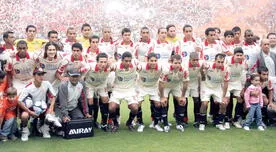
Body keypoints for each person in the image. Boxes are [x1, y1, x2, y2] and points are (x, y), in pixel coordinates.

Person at [19, 67, 57, 141]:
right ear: (34, 76)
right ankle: (25, 131)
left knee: (51, 113)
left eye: (42, 74)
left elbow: (54, 96)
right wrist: (30, 112)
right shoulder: (28, 87)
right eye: (39, 74)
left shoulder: (47, 84)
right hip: (31, 109)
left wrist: (51, 107)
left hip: (43, 107)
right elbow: (19, 101)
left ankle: (45, 129)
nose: (41, 76)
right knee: (24, 116)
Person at [108, 51, 138, 132]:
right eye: (126, 61)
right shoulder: (116, 66)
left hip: (130, 90)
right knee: (111, 108)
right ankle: (115, 123)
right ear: (122, 60)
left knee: (135, 108)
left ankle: (129, 122)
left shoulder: (135, 64)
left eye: (129, 61)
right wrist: (110, 67)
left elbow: (144, 65)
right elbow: (110, 68)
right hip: (117, 90)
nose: (128, 63)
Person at [198, 53, 229, 131]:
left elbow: (226, 83)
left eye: (222, 62)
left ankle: (219, 122)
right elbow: (202, 76)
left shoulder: (226, 69)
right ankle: (202, 122)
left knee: (223, 104)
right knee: (204, 103)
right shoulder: (208, 65)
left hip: (217, 87)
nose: (220, 64)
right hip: (206, 86)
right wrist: (202, 69)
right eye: (218, 61)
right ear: (214, 61)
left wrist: (224, 97)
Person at [159, 54, 189, 132]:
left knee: (182, 102)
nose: (177, 65)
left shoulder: (184, 70)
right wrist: (162, 97)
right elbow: (161, 83)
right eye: (175, 63)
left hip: (176, 86)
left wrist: (183, 96)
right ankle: (165, 124)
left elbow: (185, 83)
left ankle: (179, 123)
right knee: (164, 102)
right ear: (171, 62)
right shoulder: (166, 69)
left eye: (179, 63)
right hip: (166, 86)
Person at [136, 52, 162, 132]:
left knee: (158, 104)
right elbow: (133, 68)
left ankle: (155, 123)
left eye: (155, 61)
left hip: (153, 87)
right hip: (141, 87)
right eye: (151, 60)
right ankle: (140, 123)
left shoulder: (160, 67)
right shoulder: (141, 67)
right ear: (147, 60)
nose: (153, 63)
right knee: (138, 104)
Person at [84, 53, 111, 131]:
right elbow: (82, 75)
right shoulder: (89, 67)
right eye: (101, 62)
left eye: (105, 62)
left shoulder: (109, 68)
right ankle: (90, 122)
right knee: (90, 100)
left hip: (101, 85)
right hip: (90, 85)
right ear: (97, 62)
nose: (103, 64)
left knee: (105, 99)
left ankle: (104, 124)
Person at [225, 48, 247, 129]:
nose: (239, 57)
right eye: (237, 55)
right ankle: (227, 120)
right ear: (233, 55)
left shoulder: (244, 62)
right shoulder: (227, 60)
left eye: (241, 55)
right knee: (227, 100)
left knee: (240, 99)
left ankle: (236, 120)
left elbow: (243, 75)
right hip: (227, 82)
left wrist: (243, 87)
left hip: (237, 82)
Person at [185, 52, 203, 127]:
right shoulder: (185, 65)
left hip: (195, 84)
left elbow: (201, 75)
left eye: (197, 60)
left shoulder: (201, 64)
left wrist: (200, 86)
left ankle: (197, 120)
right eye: (194, 60)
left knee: (197, 102)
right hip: (185, 83)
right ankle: (184, 120)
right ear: (189, 60)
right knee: (184, 102)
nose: (195, 62)